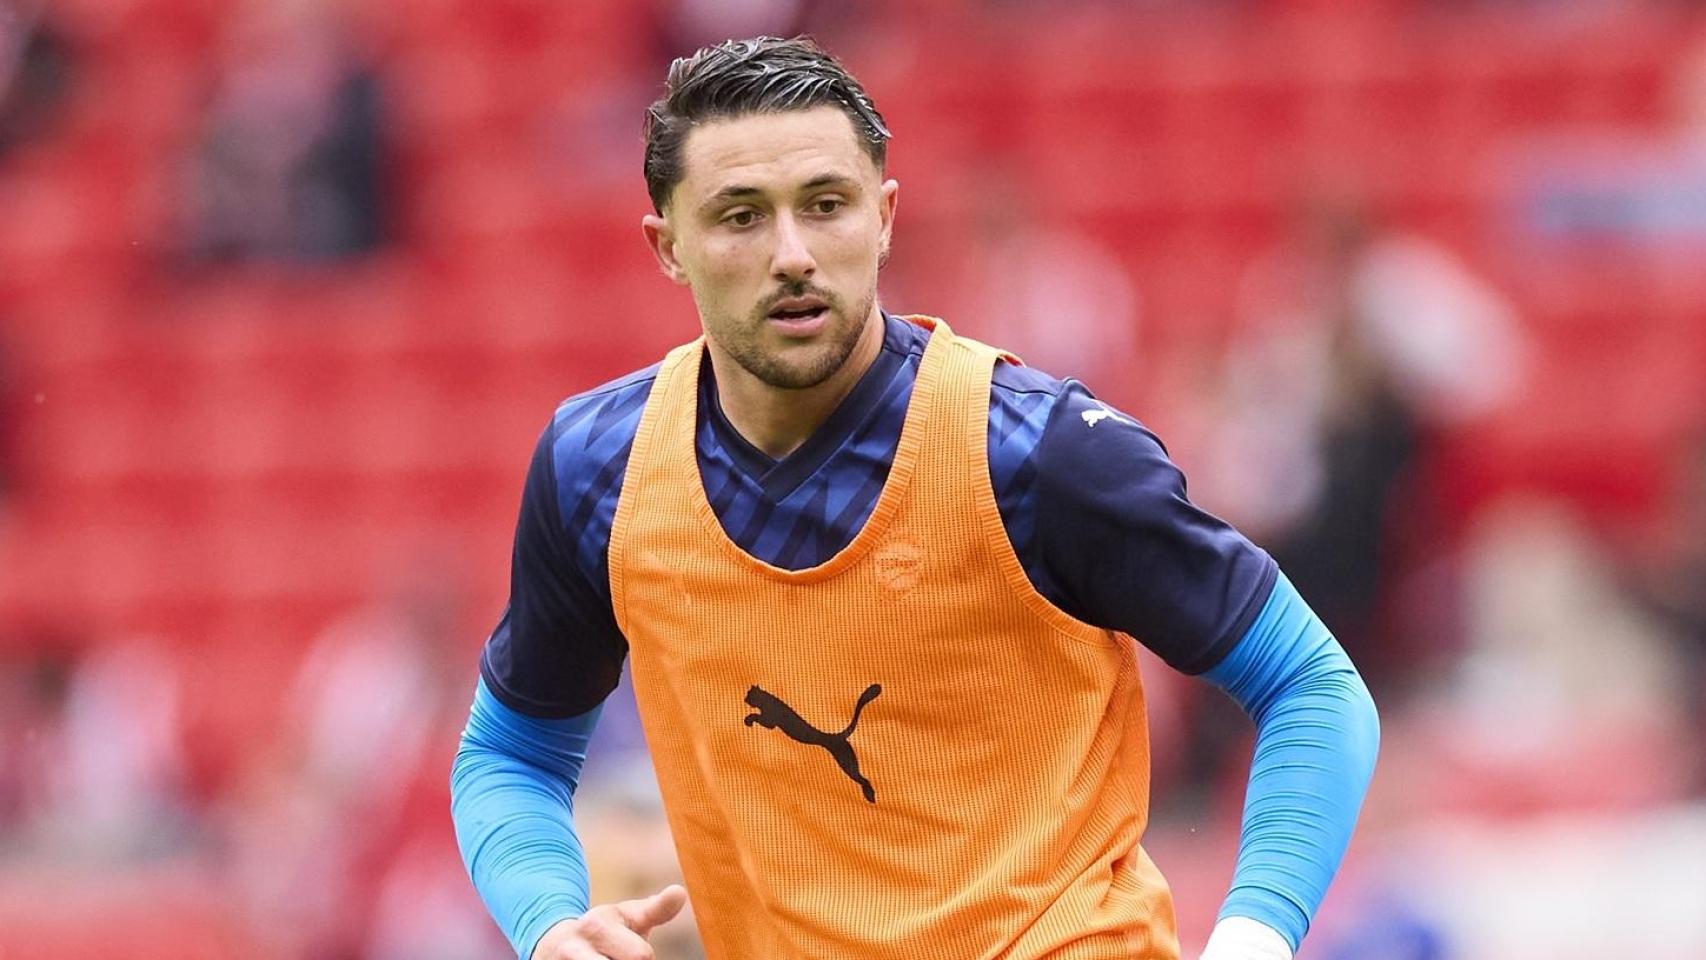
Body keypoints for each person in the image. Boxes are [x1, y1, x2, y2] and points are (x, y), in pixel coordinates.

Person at [451, 36, 1379, 960]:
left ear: (885, 217)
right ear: (668, 247)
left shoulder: (1037, 451)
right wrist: (547, 920)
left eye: (826, 206)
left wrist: (1254, 933)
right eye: (739, 216)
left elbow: (1311, 686)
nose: (793, 254)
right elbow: (509, 756)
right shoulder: (597, 468)